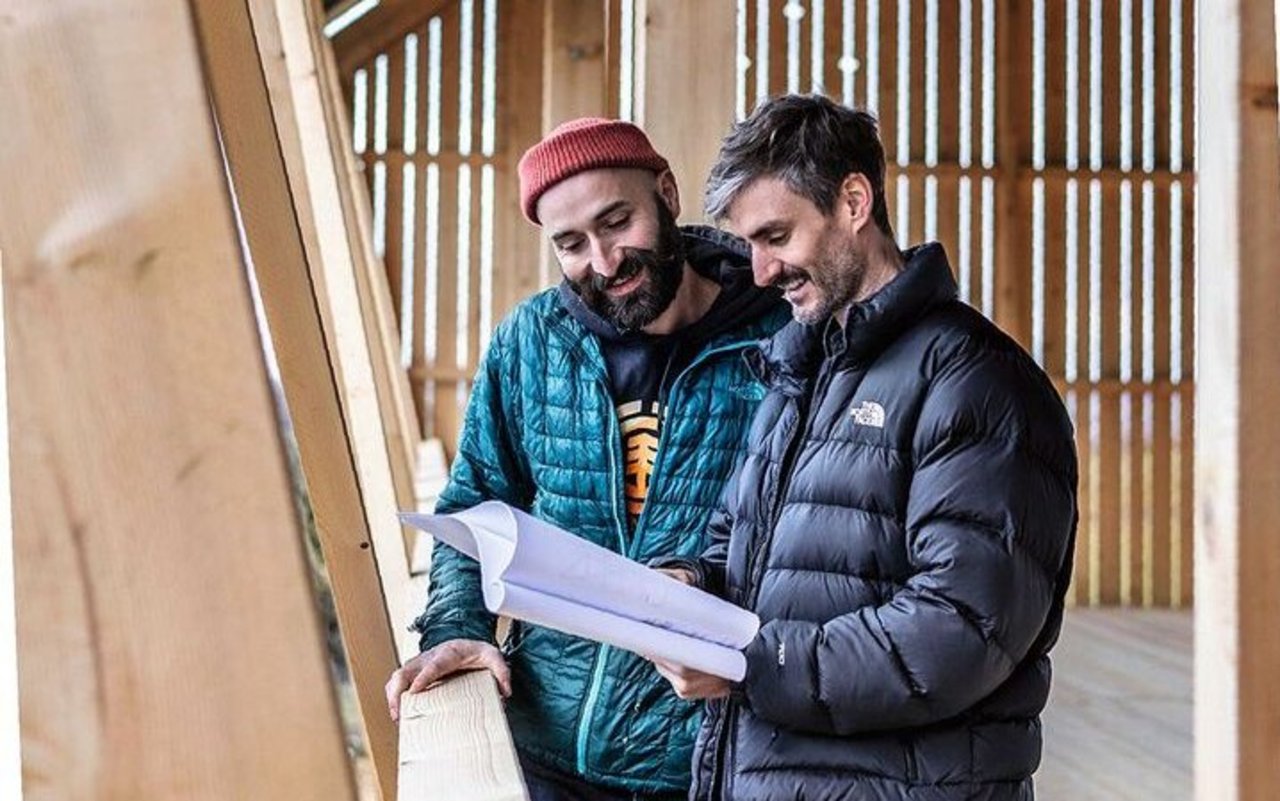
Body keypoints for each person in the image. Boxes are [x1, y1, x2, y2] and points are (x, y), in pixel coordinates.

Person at [651, 94, 1079, 800]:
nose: (759, 271)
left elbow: (958, 629)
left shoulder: (978, 384)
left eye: (776, 235)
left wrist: (753, 662)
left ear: (853, 201)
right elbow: (740, 551)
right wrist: (687, 586)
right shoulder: (800, 373)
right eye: (750, 243)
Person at [385, 117, 788, 800]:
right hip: (545, 748)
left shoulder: (781, 340)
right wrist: (458, 627)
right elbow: (474, 506)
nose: (603, 262)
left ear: (665, 191)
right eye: (571, 244)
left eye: (616, 222)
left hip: (704, 758)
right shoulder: (529, 342)